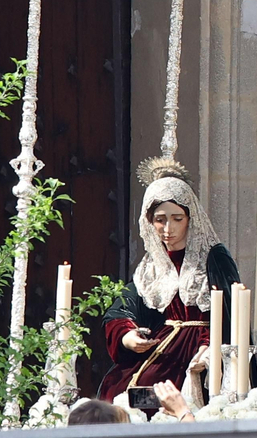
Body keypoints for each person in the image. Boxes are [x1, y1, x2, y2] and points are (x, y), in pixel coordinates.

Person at [98, 158, 242, 408]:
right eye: (160, 219)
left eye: (177, 218)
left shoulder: (214, 258)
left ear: (190, 217)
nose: (168, 228)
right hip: (162, 349)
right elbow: (121, 309)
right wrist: (128, 336)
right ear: (148, 221)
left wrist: (210, 349)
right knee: (120, 390)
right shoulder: (152, 266)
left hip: (202, 350)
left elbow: (229, 312)